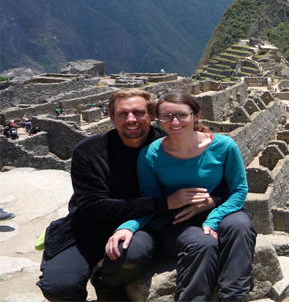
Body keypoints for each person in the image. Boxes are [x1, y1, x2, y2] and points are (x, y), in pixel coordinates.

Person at [37, 89, 227, 301]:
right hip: (89, 228)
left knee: (130, 254)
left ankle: (106, 285)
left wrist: (211, 201)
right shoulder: (89, 152)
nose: (131, 119)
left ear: (152, 115)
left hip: (145, 227)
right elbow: (93, 206)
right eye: (122, 114)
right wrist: (164, 203)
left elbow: (221, 183)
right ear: (111, 117)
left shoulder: (172, 145)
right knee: (59, 287)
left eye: (138, 112)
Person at [105, 91, 256, 301]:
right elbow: (150, 201)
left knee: (239, 226)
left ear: (196, 115)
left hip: (221, 211)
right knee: (203, 244)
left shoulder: (224, 146)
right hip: (177, 220)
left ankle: (233, 297)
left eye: (182, 115)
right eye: (166, 116)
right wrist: (128, 226)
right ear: (158, 119)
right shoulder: (151, 155)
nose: (174, 122)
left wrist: (213, 218)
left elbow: (239, 190)